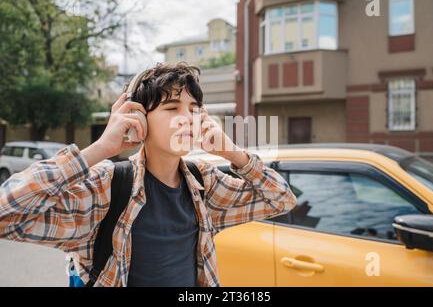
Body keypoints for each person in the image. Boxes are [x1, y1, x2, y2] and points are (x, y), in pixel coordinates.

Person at [0, 61, 297, 287]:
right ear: (137, 118)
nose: (188, 119)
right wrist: (101, 148)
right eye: (172, 107)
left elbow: (281, 199)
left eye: (194, 109)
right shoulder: (106, 188)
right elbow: (6, 212)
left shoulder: (205, 182)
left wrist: (233, 153)